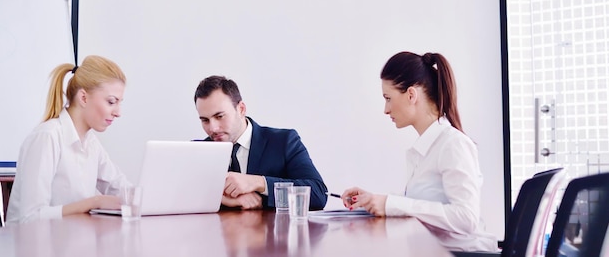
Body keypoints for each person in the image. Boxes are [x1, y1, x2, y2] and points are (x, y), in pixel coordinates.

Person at [341, 52, 498, 252]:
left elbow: (466, 218)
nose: (386, 109)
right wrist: (373, 200)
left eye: (388, 98)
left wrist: (391, 204)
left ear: (411, 95)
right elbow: (425, 203)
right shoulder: (427, 147)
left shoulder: (453, 144)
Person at [6, 55, 130, 224]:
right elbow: (30, 217)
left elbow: (119, 186)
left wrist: (152, 198)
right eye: (111, 102)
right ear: (84, 98)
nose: (118, 112)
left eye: (119, 103)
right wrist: (93, 202)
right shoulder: (47, 137)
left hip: (71, 243)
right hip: (35, 246)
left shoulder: (90, 142)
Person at [194, 75, 327, 210]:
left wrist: (258, 182)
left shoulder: (284, 141)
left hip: (272, 230)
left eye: (219, 116)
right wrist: (224, 199)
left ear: (241, 109)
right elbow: (178, 195)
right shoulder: (197, 151)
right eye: (205, 120)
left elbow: (318, 194)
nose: (213, 128)